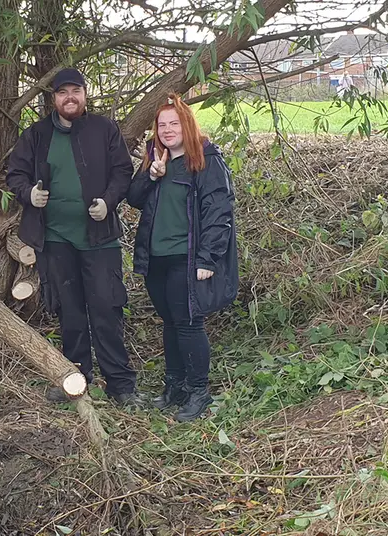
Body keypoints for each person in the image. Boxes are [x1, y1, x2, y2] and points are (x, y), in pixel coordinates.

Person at [6, 68, 141, 406]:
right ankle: (76, 377)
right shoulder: (36, 135)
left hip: (100, 238)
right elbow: (15, 174)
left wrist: (108, 202)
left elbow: (123, 171)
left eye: (75, 91)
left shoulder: (104, 129)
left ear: (85, 94)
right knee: (69, 311)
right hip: (55, 239)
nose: (70, 97)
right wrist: (28, 194)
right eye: (63, 92)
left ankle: (120, 385)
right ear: (53, 98)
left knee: (106, 309)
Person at [127, 94, 239, 422]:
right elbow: (133, 198)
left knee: (189, 323)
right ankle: (174, 388)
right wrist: (152, 175)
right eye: (162, 125)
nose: (167, 130)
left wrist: (208, 259)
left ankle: (198, 392)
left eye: (174, 123)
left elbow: (219, 211)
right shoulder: (155, 159)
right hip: (156, 258)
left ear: (186, 125)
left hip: (186, 258)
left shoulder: (204, 159)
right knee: (171, 323)